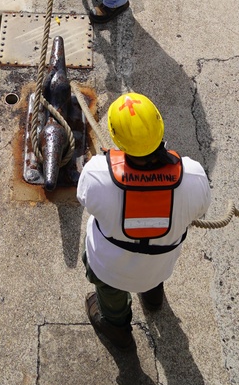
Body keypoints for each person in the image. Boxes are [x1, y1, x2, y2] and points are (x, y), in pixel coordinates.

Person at [78, 92, 211, 349]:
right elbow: (199, 211)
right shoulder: (193, 176)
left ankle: (116, 327)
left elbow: (84, 199)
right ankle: (153, 297)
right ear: (160, 127)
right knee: (153, 257)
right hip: (160, 268)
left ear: (115, 138)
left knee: (110, 292)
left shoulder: (96, 173)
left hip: (109, 269)